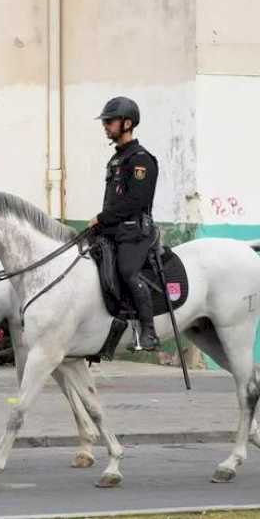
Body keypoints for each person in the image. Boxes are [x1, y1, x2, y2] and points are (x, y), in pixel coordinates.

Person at [88, 96, 160, 351]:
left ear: (127, 123)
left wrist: (103, 218)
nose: (105, 126)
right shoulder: (117, 159)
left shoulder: (140, 159)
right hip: (114, 229)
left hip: (135, 233)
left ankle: (148, 331)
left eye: (110, 121)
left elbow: (135, 201)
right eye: (105, 122)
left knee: (128, 271)